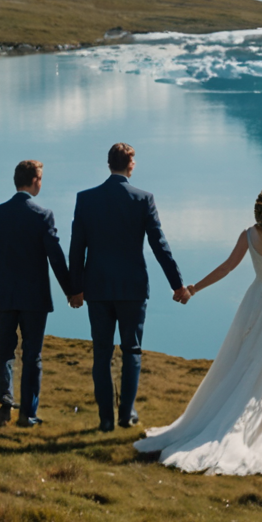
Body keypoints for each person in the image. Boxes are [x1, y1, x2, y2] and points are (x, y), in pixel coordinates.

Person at [135, 185, 262, 475]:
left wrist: (194, 288)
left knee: (249, 359)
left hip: (255, 301)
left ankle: (237, 413)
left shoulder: (248, 235)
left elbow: (226, 268)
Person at [68, 142, 187, 432]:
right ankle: (126, 414)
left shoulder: (86, 199)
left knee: (102, 354)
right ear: (130, 165)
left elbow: (76, 250)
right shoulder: (143, 199)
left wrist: (75, 288)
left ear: (109, 164)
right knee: (131, 351)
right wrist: (177, 285)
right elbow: (160, 246)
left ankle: (105, 419)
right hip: (133, 287)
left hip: (97, 287)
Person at [0, 159, 74, 427]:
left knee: (5, 351)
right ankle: (27, 415)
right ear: (35, 180)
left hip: (5, 295)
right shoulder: (42, 215)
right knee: (32, 355)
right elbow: (55, 258)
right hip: (35, 299)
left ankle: (5, 402)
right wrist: (71, 291)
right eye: (41, 178)